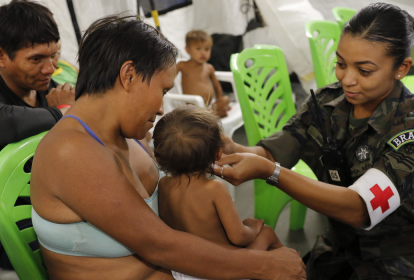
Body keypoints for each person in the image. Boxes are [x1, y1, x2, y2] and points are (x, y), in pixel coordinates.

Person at [30, 15, 305, 280]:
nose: (162, 108)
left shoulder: (128, 135)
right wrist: (263, 266)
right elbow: (159, 244)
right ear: (129, 75)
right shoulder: (71, 151)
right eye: (162, 90)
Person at [214, 3, 414, 279]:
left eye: (365, 70)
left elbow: (360, 208)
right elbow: (279, 148)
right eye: (341, 64)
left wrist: (270, 173)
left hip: (396, 262)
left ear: (401, 68)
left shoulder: (408, 126)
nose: (347, 79)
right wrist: (235, 149)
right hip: (339, 249)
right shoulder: (325, 103)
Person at [153, 105, 283, 280]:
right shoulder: (214, 189)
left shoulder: (163, 185)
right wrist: (253, 226)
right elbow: (238, 237)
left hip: (184, 271)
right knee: (266, 233)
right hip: (221, 271)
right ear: (217, 153)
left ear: (159, 156)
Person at [0, 0, 75, 151]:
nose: (50, 69)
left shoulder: (56, 91)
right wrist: (65, 111)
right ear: (2, 56)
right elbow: (6, 122)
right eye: (36, 59)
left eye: (53, 55)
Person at [176, 30, 231, 117]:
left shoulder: (209, 67)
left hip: (210, 105)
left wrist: (220, 99)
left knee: (226, 99)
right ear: (188, 50)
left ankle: (211, 112)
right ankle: (213, 113)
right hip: (193, 105)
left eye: (207, 49)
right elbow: (169, 77)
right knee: (220, 111)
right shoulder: (182, 65)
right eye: (198, 49)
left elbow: (217, 86)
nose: (203, 52)